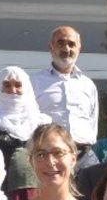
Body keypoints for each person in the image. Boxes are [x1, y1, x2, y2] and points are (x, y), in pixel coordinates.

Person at [0, 66, 51, 200]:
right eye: (7, 85)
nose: (13, 90)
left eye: (18, 85)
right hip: (0, 193)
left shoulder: (42, 126)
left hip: (40, 191)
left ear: (26, 88)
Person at [31, 26, 99, 165]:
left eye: (71, 44)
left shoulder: (88, 85)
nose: (66, 49)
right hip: (50, 157)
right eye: (61, 43)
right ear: (51, 47)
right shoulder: (35, 82)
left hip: (85, 157)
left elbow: (92, 121)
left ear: (79, 48)